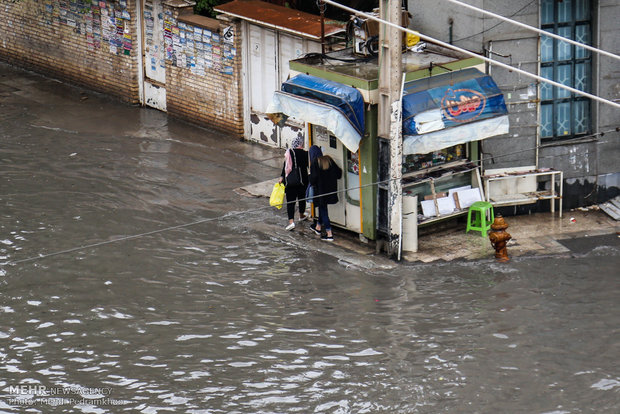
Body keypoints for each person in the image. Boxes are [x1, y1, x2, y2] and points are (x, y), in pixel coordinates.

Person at [309, 149, 342, 241]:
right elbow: (339, 173)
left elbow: (313, 179)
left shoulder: (315, 162)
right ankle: (318, 227)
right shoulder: (328, 159)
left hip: (320, 192)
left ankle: (329, 233)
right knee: (322, 208)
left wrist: (309, 177)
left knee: (323, 211)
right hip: (330, 191)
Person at [279, 136, 309, 231]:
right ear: (301, 144)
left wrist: (281, 177)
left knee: (290, 202)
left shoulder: (289, 153)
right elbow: (309, 166)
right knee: (301, 199)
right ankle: (301, 215)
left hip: (290, 181)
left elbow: (285, 167)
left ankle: (291, 222)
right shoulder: (305, 154)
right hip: (302, 181)